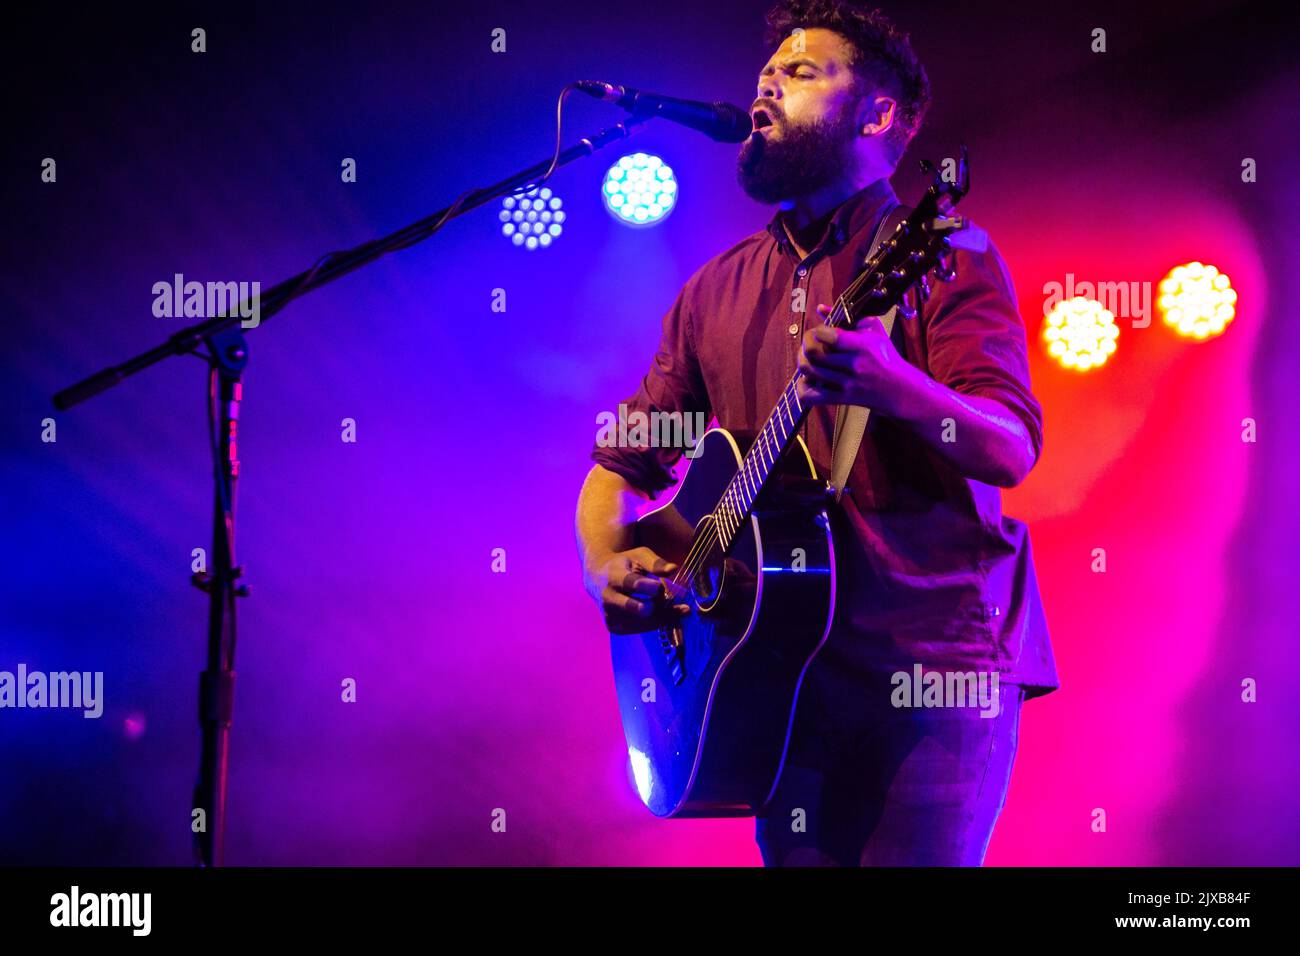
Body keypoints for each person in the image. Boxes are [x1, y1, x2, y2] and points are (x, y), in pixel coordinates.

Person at [575, 0, 1059, 866]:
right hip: (777, 666)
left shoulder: (944, 249)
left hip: (933, 664)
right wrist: (605, 564)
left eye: (802, 72)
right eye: (766, 74)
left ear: (878, 115)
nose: (768, 83)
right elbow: (621, 463)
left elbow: (1011, 447)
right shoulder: (714, 290)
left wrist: (897, 387)